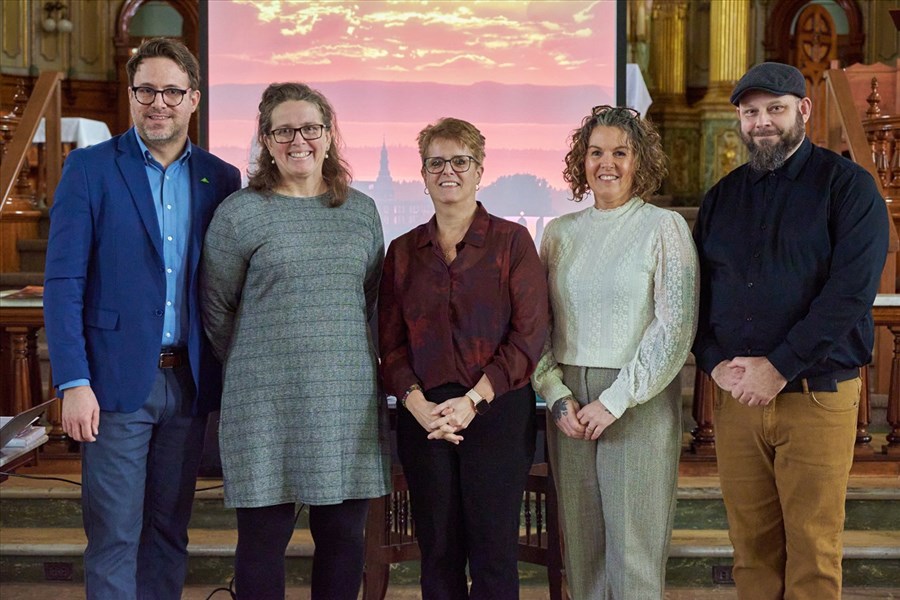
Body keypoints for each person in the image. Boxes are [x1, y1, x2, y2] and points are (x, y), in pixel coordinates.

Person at [43, 38, 241, 599]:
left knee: (168, 533)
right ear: (130, 97)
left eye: (172, 91)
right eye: (147, 90)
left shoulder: (221, 179)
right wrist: (74, 382)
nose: (160, 102)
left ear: (194, 98)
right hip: (111, 384)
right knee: (113, 538)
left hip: (188, 382)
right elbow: (63, 285)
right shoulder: (89, 169)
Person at [693, 62, 889, 599]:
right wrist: (712, 363)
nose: (762, 122)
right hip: (737, 400)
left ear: (802, 109)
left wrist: (778, 366)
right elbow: (698, 299)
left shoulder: (848, 188)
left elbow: (849, 295)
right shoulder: (722, 198)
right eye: (750, 112)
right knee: (751, 550)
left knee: (813, 550)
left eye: (774, 109)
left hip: (816, 396)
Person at [200, 82, 389, 600]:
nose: (298, 140)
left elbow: (367, 300)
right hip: (265, 404)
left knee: (343, 540)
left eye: (310, 128)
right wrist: (257, 360)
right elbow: (216, 307)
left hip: (345, 402)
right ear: (266, 139)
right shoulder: (240, 213)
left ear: (329, 137)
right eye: (283, 130)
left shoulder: (361, 211)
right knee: (262, 542)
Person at [531, 105, 699, 599]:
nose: (607, 163)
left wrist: (617, 400)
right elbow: (538, 323)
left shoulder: (664, 227)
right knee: (582, 550)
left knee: (633, 551)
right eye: (596, 152)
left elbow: (675, 327)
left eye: (620, 153)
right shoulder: (559, 232)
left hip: (637, 397)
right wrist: (556, 394)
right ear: (580, 162)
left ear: (639, 161)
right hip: (570, 401)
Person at [378, 117, 549, 600]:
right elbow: (389, 345)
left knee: (494, 557)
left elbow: (529, 337)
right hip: (424, 420)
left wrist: (472, 400)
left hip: (496, 414)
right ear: (423, 173)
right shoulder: (403, 252)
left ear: (479, 170)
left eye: (460, 161)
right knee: (437, 555)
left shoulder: (512, 243)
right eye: (436, 162)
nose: (447, 171)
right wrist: (416, 405)